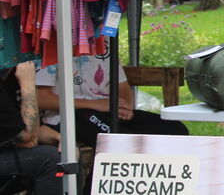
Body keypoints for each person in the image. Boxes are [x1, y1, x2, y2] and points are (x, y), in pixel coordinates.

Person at [36, 54, 189, 147]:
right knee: (119, 142)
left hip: (109, 111)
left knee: (175, 130)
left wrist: (126, 108)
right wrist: (97, 105)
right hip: (68, 117)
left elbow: (122, 87)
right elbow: (41, 99)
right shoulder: (52, 46)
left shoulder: (104, 43)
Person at [0, 63, 61, 195]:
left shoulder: (11, 78)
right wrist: (28, 85)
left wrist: (61, 139)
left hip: (8, 149)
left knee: (68, 153)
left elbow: (33, 131)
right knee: (51, 159)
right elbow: (27, 136)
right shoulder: (21, 79)